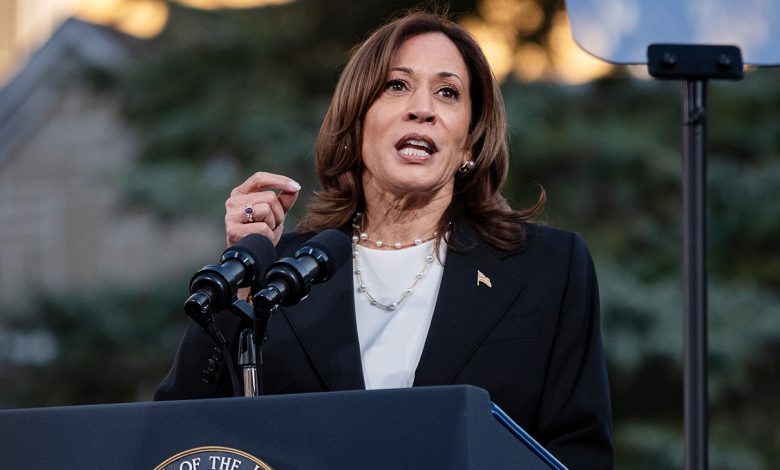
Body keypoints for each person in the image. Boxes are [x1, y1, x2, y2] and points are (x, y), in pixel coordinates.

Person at [156, 11, 613, 468]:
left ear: (470, 144)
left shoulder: (546, 267)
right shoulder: (283, 273)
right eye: (397, 85)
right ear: (357, 122)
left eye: (448, 93)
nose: (423, 108)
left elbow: (577, 450)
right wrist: (239, 283)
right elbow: (182, 440)